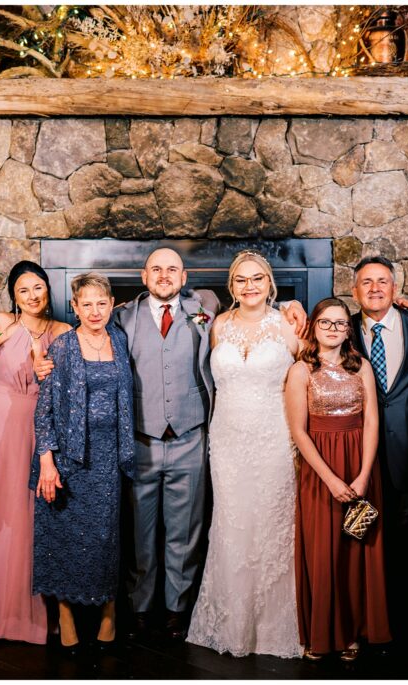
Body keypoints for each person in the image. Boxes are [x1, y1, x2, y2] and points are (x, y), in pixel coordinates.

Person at [118, 247, 308, 641]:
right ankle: (140, 608)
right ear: (144, 276)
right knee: (141, 531)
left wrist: (293, 303)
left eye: (173, 269)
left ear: (186, 277)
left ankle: (176, 610)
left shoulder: (203, 309)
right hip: (144, 438)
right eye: (157, 269)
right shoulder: (124, 316)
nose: (165, 275)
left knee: (186, 532)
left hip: (196, 435)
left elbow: (296, 349)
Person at [187, 250, 303, 659]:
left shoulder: (288, 325)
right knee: (232, 524)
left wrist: (295, 305)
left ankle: (274, 626)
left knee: (272, 525)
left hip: (274, 437)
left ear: (269, 283)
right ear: (232, 287)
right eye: (241, 280)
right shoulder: (219, 325)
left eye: (257, 278)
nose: (249, 286)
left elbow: (306, 376)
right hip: (228, 442)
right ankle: (233, 623)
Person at [31, 273, 135, 651]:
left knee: (106, 538)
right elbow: (43, 411)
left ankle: (108, 613)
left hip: (108, 458)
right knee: (63, 539)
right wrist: (46, 461)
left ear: (111, 306)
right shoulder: (61, 346)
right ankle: (65, 614)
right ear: (74, 307)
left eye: (101, 303)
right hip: (68, 459)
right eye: (85, 304)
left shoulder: (120, 341)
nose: (94, 311)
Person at [286, 297, 390, 661]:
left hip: (359, 463)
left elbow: (373, 421)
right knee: (322, 552)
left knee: (353, 551)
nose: (333, 329)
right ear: (313, 327)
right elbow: (299, 432)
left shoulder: (361, 366)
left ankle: (352, 632)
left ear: (349, 329)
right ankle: (322, 632)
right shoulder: (301, 370)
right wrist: (330, 480)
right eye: (325, 323)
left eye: (340, 323)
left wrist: (363, 476)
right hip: (320, 471)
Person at [0, 261, 70, 645]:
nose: (32, 296)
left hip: (41, 425)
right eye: (23, 290)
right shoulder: (0, 324)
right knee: (0, 512)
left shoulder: (64, 332)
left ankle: (35, 615)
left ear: (48, 290)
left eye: (38, 288)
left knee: (35, 514)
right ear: (13, 297)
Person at [348, 255, 408, 639]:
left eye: (382, 281)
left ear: (395, 288)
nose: (375, 288)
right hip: (357, 451)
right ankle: (364, 614)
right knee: (361, 532)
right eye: (366, 282)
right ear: (355, 292)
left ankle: (404, 617)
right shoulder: (343, 329)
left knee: (407, 534)